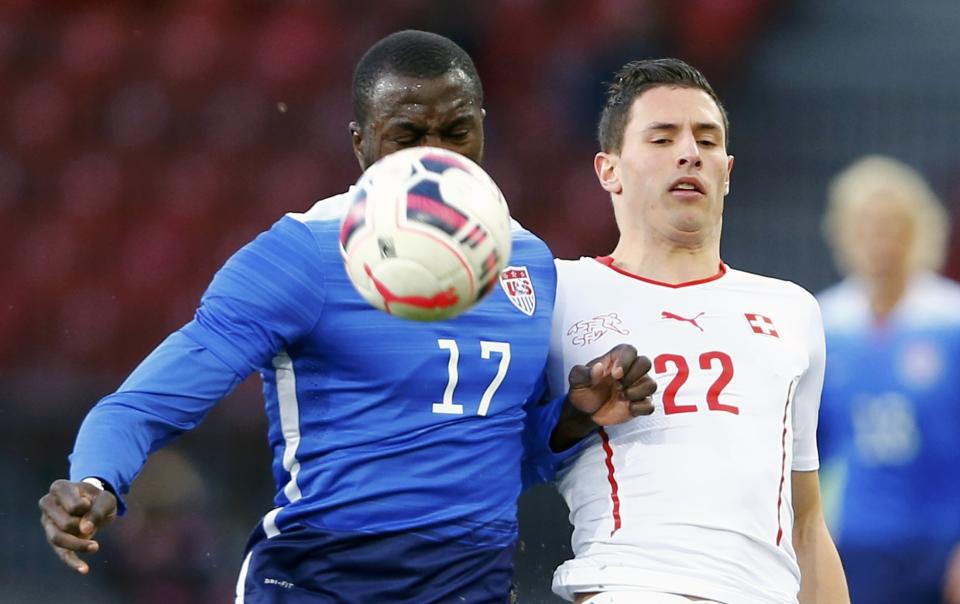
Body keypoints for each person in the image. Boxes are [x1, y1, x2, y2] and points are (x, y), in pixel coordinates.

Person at [38, 30, 656, 604]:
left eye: (457, 131)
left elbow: (485, 450)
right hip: (323, 579)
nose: (435, 158)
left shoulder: (528, 262)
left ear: (483, 131)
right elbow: (143, 404)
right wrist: (95, 481)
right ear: (360, 143)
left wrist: (570, 422)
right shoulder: (301, 256)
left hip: (472, 583)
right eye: (408, 136)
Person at [545, 58, 849, 603]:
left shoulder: (792, 312)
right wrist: (571, 417)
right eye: (662, 139)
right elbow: (496, 449)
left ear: (727, 170)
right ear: (607, 169)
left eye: (707, 141)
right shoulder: (558, 294)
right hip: (630, 587)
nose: (689, 152)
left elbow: (806, 522)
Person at [817, 155, 960, 604]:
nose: (879, 239)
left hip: (944, 537)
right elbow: (806, 446)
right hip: (858, 537)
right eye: (865, 224)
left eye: (892, 224)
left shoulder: (951, 319)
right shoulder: (822, 322)